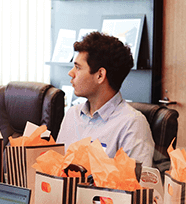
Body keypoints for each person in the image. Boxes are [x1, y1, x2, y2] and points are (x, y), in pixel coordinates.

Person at [56, 31, 154, 168]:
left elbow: (137, 186)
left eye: (78, 67)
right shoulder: (72, 115)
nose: (70, 73)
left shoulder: (132, 124)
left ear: (100, 75)